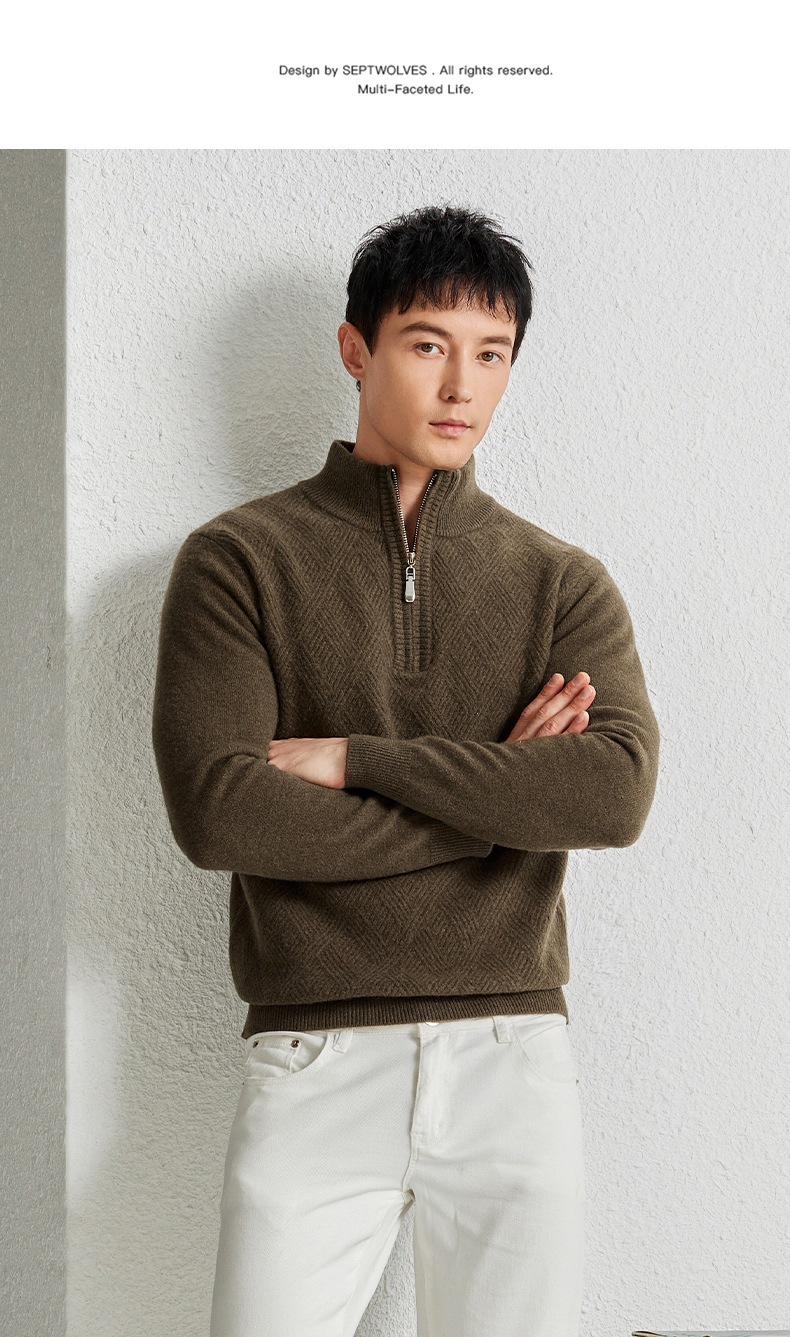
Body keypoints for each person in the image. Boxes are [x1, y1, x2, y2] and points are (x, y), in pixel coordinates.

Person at [151, 203, 660, 1337]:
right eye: (428, 344)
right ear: (356, 348)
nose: (461, 386)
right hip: (313, 1051)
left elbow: (613, 791)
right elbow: (222, 812)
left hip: (512, 1054)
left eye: (493, 354)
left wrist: (356, 759)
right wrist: (503, 794)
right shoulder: (238, 562)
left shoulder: (561, 582)